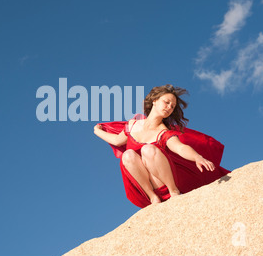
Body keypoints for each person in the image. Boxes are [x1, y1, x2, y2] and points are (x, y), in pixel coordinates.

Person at [94, 84, 230, 208]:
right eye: (167, 102)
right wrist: (97, 131)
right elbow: (117, 140)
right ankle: (153, 198)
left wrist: (197, 157)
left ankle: (173, 192)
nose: (169, 107)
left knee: (148, 149)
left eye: (172, 106)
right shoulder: (133, 124)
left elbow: (180, 147)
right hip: (148, 185)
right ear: (154, 100)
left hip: (163, 182)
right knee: (127, 155)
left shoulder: (164, 133)